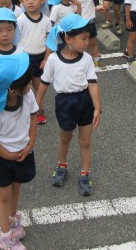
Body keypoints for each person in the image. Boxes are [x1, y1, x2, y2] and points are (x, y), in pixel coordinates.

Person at [35, 14, 101, 196]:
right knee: (65, 137)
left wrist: (97, 107)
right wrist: (36, 107)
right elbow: (43, 85)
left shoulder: (86, 59)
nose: (87, 42)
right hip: (64, 103)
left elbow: (93, 84)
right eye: (83, 38)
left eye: (88, 38)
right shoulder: (54, 60)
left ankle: (85, 172)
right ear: (68, 38)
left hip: (84, 101)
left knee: (85, 141)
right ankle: (62, 165)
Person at [0, 53, 38, 250]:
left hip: (22, 152)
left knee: (17, 187)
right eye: (28, 81)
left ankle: (12, 219)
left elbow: (34, 115)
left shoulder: (26, 95)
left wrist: (30, 144)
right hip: (0, 157)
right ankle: (4, 235)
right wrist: (6, 154)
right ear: (12, 90)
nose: (31, 83)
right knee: (4, 193)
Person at [17, 0, 52, 125]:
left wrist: (46, 58)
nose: (30, 1)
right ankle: (21, 111)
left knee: (38, 85)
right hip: (24, 58)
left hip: (40, 57)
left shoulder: (46, 21)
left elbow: (49, 42)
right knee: (23, 86)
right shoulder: (21, 20)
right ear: (22, 1)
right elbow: (15, 41)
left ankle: (38, 109)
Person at [75, 0, 104, 67]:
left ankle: (96, 59)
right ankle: (80, 61)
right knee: (81, 44)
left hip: (90, 22)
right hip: (79, 23)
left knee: (92, 43)